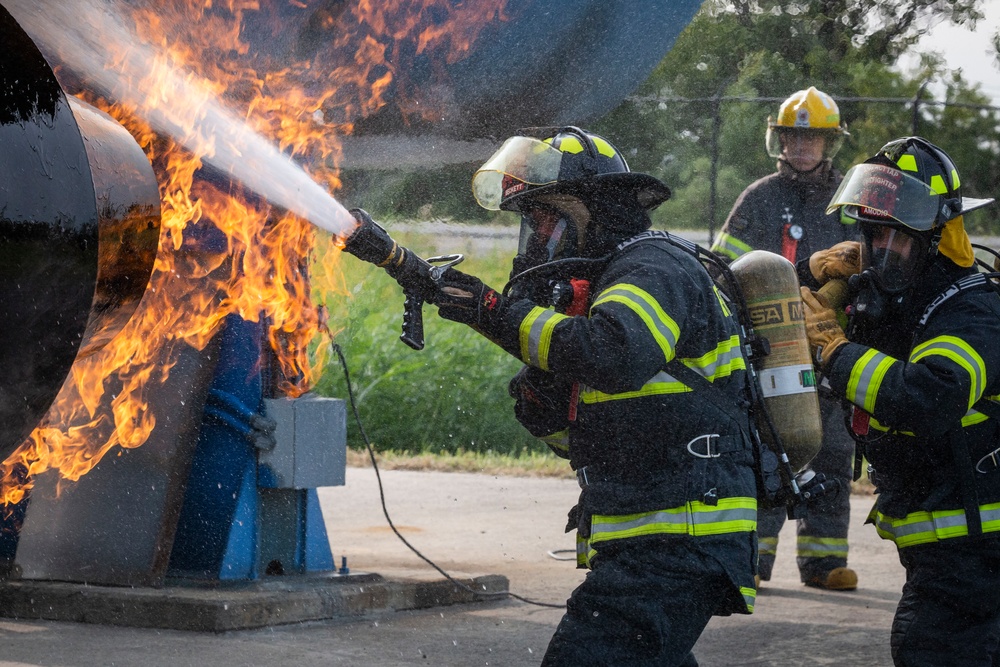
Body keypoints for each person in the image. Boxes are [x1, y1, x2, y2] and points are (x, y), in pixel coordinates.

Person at [428, 126, 758, 666]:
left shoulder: (651, 267)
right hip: (649, 537)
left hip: (679, 536)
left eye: (548, 221)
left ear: (597, 210)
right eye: (531, 225)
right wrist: (547, 405)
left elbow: (614, 355)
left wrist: (492, 312)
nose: (539, 242)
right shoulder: (609, 282)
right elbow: (607, 429)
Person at [802, 136, 999, 666]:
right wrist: (808, 277)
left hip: (981, 563)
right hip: (945, 562)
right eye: (871, 235)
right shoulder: (897, 304)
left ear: (936, 239)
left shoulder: (971, 312)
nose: (879, 253)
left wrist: (836, 355)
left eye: (896, 238)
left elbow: (931, 397)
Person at [710, 86, 859, 591]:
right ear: (779, 139)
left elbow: (867, 271)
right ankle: (756, 559)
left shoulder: (849, 201)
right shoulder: (758, 197)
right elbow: (721, 269)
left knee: (833, 453)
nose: (801, 148)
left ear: (828, 144)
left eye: (812, 139)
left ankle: (824, 563)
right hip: (770, 345)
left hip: (830, 345)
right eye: (793, 138)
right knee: (771, 449)